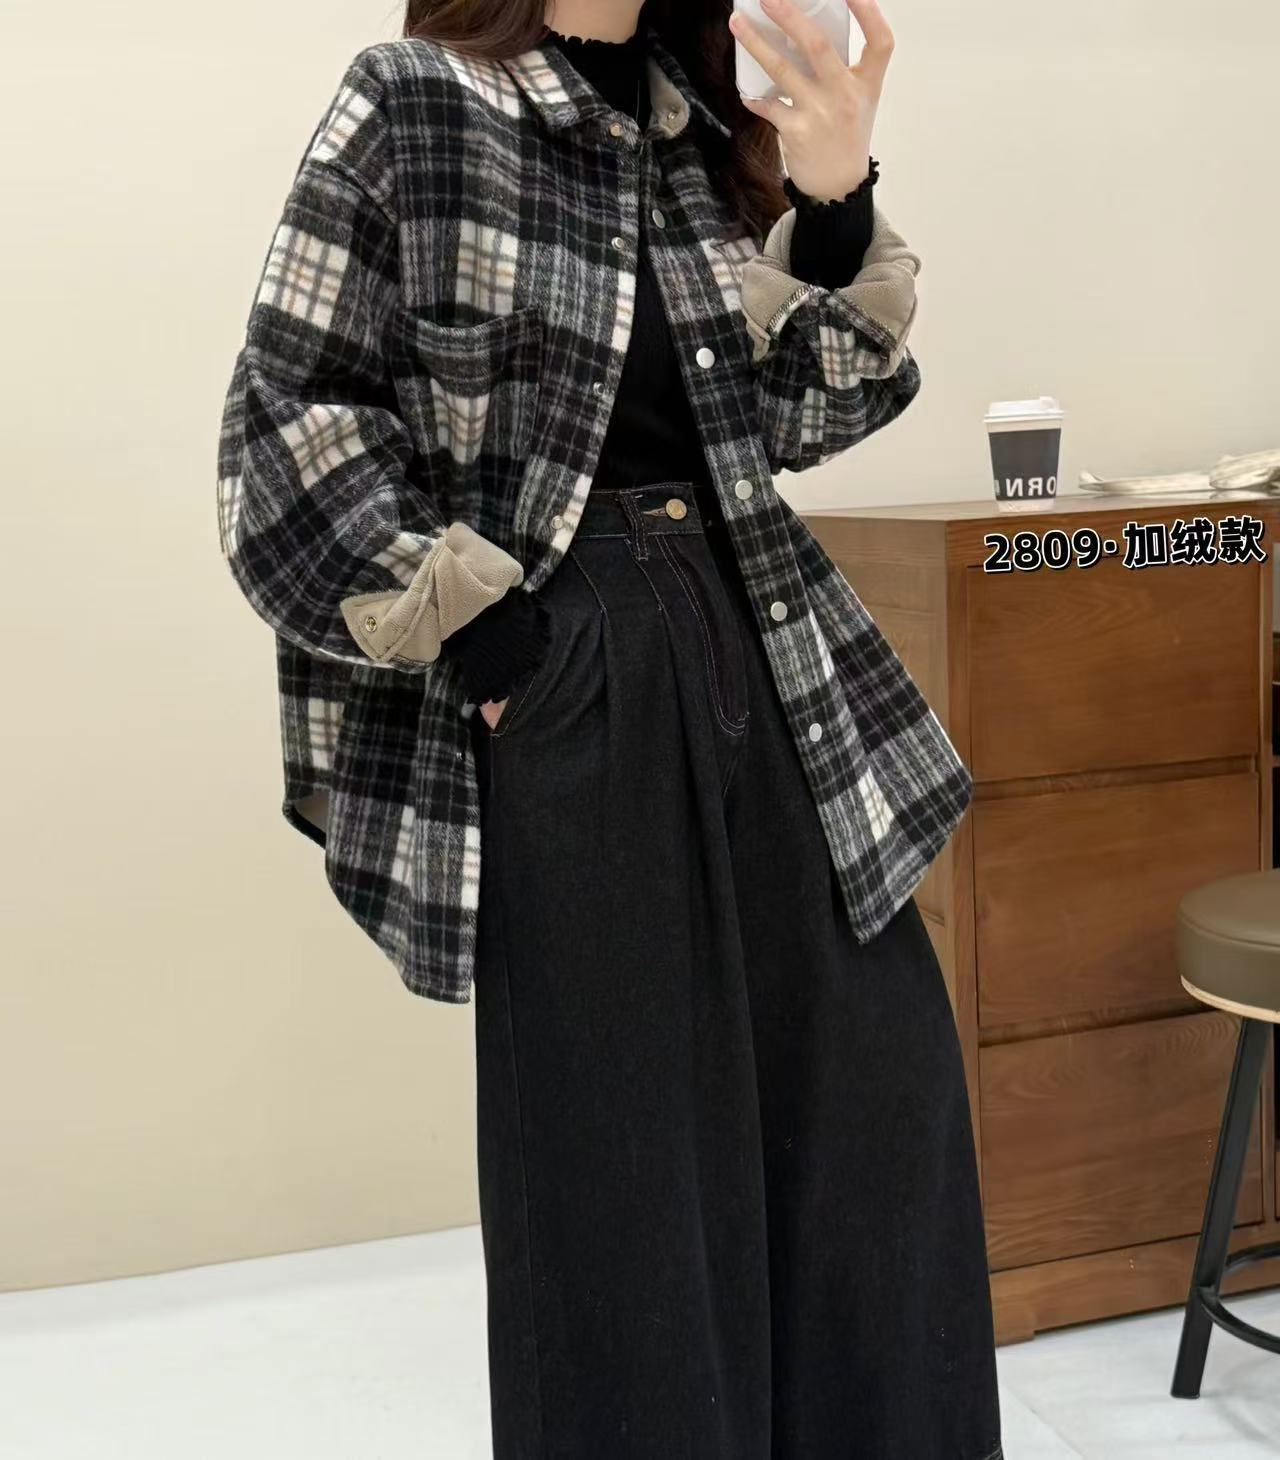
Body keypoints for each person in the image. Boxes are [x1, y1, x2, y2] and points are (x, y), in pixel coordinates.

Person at [216, 0, 1003, 1454]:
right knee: (626, 1182)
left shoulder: (691, 128)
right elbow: (289, 419)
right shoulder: (417, 101)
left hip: (762, 630)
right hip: (569, 668)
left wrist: (834, 199)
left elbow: (799, 419)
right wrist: (485, 633)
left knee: (876, 1126)